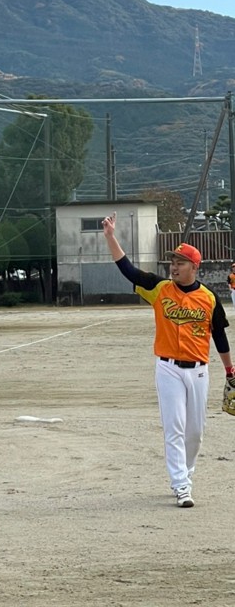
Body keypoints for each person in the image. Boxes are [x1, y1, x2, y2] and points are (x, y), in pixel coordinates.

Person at [102, 211, 234, 508]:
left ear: (194, 267)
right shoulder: (160, 290)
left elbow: (220, 336)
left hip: (199, 371)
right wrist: (111, 238)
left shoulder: (209, 298)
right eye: (172, 262)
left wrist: (230, 370)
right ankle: (181, 485)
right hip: (168, 368)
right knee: (174, 427)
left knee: (196, 432)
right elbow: (129, 271)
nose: (173, 266)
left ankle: (186, 473)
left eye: (179, 262)